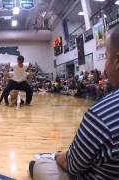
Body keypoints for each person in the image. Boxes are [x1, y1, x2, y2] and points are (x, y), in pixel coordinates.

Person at [29, 25, 119, 180]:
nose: (105, 65)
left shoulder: (100, 115)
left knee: (40, 164)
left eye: (106, 56)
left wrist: (59, 156)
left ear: (117, 61)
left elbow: (72, 166)